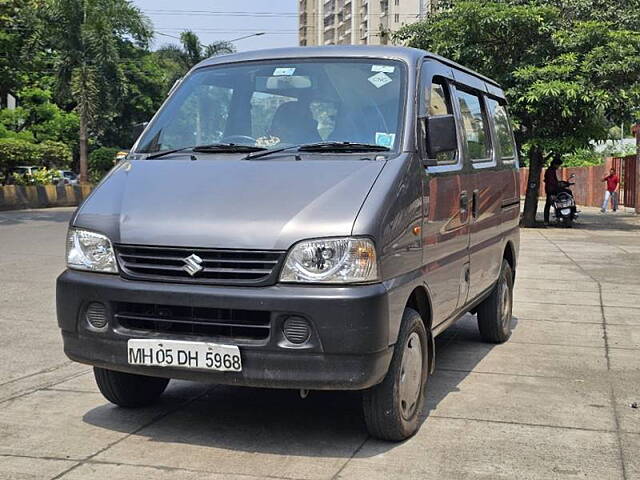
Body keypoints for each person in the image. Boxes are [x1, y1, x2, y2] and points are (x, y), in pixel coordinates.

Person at [543, 158, 563, 225]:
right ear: (555, 164)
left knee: (552, 204)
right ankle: (546, 221)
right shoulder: (550, 170)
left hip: (551, 189)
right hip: (551, 190)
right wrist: (558, 184)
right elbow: (552, 181)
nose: (558, 167)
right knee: (548, 204)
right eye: (558, 165)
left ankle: (554, 218)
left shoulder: (552, 170)